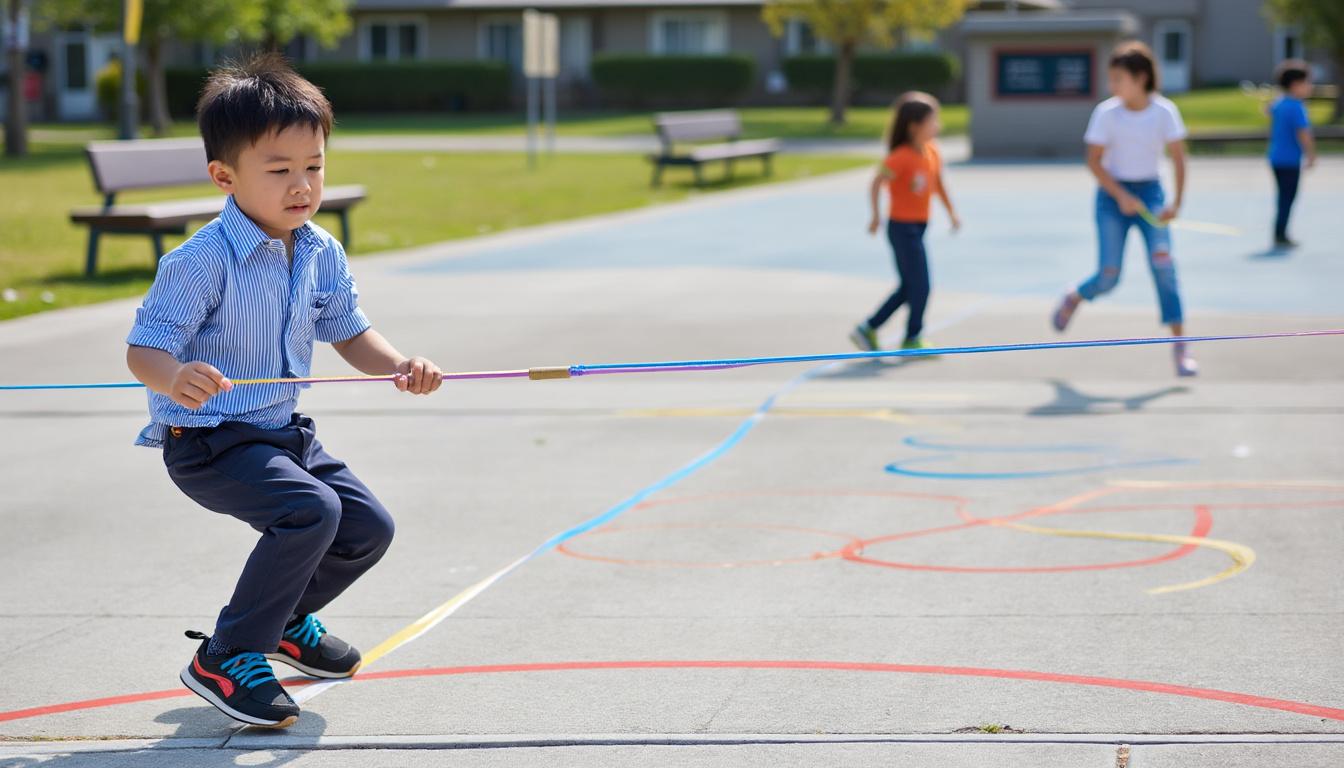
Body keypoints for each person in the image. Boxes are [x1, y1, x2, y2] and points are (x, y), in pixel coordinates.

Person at [125, 54, 444, 728]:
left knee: (365, 528)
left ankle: (287, 619)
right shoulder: (200, 261)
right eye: (279, 170)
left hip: (282, 434)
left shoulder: (320, 250)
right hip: (209, 441)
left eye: (314, 166)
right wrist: (173, 376)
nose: (302, 185)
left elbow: (350, 332)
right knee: (309, 511)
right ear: (224, 175)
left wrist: (397, 365)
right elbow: (143, 350)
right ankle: (229, 652)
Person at [1051, 42, 1197, 377]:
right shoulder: (1106, 113)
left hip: (1151, 193)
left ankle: (1181, 349)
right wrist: (1119, 195)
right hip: (1111, 195)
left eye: (1118, 79)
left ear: (1141, 77)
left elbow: (1178, 158)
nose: (1112, 86)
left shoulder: (1164, 111)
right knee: (1109, 274)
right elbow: (1093, 161)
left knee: (1164, 268)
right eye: (1111, 79)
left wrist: (1175, 203)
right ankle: (1075, 296)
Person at [850, 91, 960, 353]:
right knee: (921, 285)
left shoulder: (932, 152)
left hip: (920, 226)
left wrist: (951, 212)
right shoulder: (900, 157)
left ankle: (868, 328)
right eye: (932, 121)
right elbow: (877, 182)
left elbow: (939, 184)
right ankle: (912, 336)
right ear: (914, 126)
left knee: (909, 286)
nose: (938, 126)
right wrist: (876, 216)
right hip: (902, 228)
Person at [1267, 60, 1316, 248]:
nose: (1310, 87)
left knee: (1282, 196)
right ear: (1296, 85)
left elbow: (1268, 111)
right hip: (1289, 160)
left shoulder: (1279, 103)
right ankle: (1281, 233)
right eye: (1307, 83)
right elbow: (1303, 133)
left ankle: (1279, 231)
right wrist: (1311, 154)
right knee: (1288, 197)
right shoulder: (1296, 106)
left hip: (1275, 157)